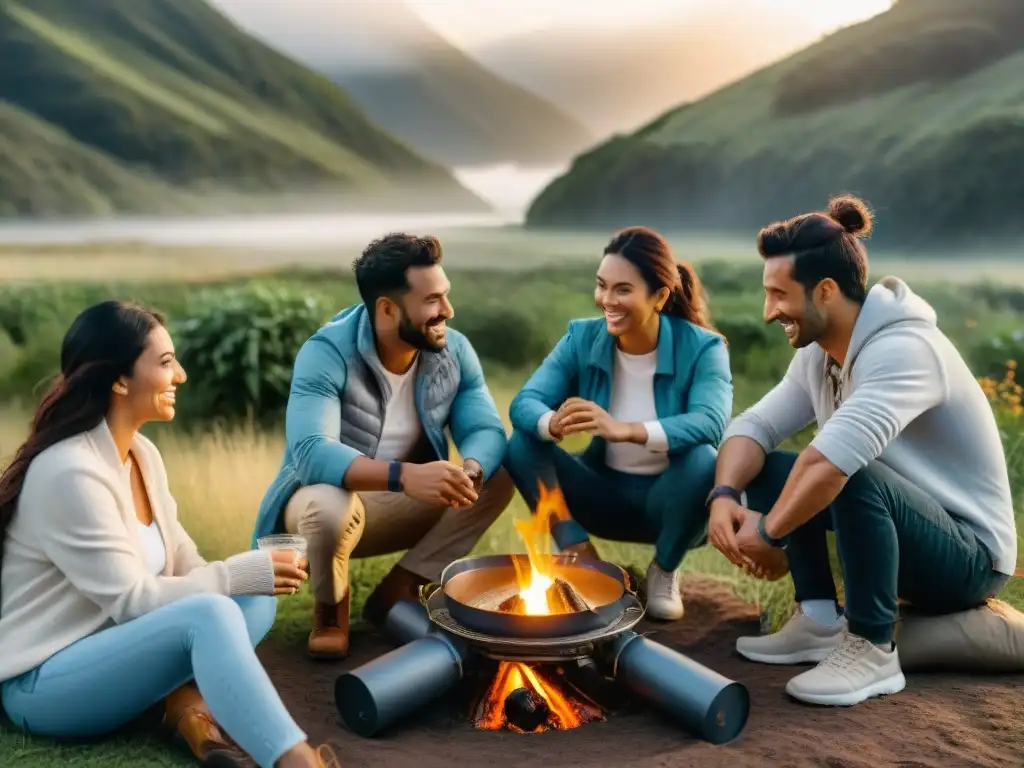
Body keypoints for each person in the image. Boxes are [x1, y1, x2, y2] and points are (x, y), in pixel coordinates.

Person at [708, 195, 1018, 707]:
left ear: (825, 291)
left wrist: (766, 533)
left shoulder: (904, 350)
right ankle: (818, 621)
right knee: (768, 468)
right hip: (905, 523)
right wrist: (724, 494)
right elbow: (755, 426)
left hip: (970, 557)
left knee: (849, 471)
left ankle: (872, 648)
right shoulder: (818, 354)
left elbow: (830, 464)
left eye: (779, 295)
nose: (768, 313)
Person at [0, 301, 339, 768]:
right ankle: (295, 760)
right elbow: (135, 602)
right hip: (44, 681)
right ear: (119, 379)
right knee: (211, 611)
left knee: (255, 598)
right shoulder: (70, 472)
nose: (179, 375)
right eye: (164, 363)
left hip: (112, 645)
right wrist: (233, 574)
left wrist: (241, 578)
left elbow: (182, 558)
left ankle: (183, 707)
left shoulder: (142, 453)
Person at [254, 233, 515, 659]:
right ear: (388, 309)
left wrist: (469, 470)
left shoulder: (454, 351)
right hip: (325, 508)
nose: (447, 311)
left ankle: (400, 588)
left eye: (445, 296)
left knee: (499, 472)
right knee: (327, 505)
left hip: (402, 502)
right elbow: (311, 452)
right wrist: (406, 475)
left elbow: (485, 429)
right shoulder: (325, 353)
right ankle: (331, 606)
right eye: (432, 300)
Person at [504, 226, 733, 621]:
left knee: (702, 458)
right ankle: (578, 553)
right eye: (602, 286)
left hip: (675, 504)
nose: (607, 300)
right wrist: (552, 423)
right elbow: (525, 402)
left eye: (623, 290)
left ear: (660, 295)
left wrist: (624, 429)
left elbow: (710, 422)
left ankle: (664, 570)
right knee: (522, 442)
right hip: (602, 495)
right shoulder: (581, 338)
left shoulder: (704, 347)